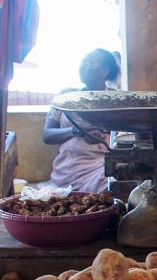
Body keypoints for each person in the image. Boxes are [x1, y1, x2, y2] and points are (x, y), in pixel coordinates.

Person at [44, 49, 120, 193]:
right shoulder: (65, 96)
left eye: (88, 63)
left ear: (103, 71)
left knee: (114, 180)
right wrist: (76, 131)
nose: (81, 67)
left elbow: (125, 135)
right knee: (106, 188)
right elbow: (47, 135)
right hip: (72, 163)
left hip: (104, 160)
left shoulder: (116, 99)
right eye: (82, 63)